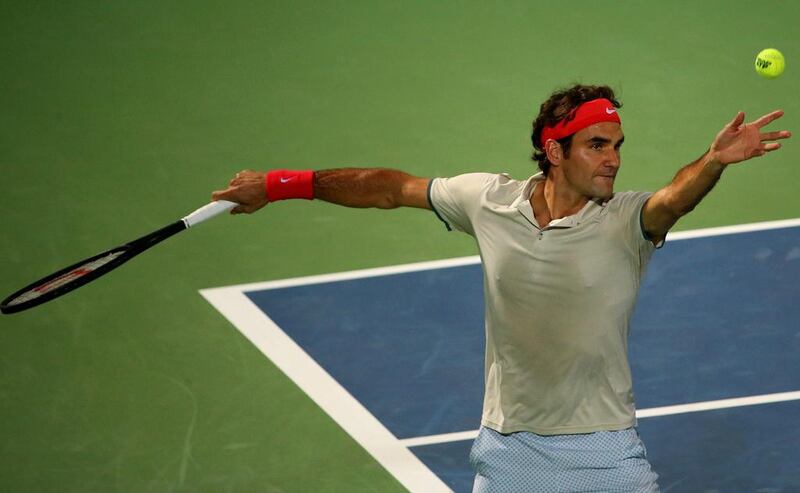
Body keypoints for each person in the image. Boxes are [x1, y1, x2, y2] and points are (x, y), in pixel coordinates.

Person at [211, 84, 790, 492]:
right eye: (597, 145)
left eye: (617, 145)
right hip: (509, 447)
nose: (614, 160)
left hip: (604, 450)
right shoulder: (488, 200)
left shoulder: (626, 221)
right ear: (555, 150)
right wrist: (280, 185)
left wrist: (714, 161)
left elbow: (674, 196)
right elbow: (392, 188)